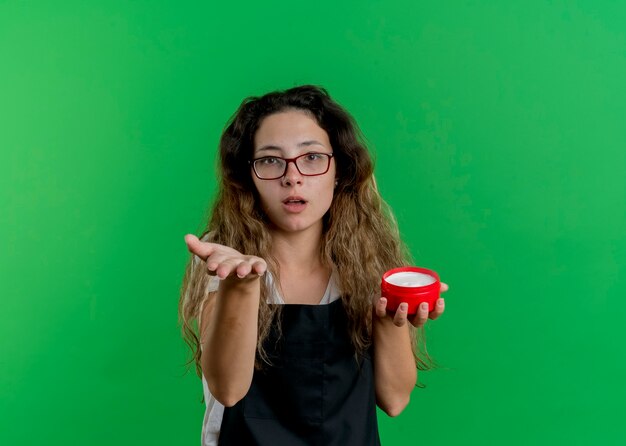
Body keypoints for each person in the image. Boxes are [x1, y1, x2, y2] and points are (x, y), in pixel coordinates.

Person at [179, 85, 447, 446]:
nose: (293, 176)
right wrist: (241, 286)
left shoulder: (366, 260)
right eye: (271, 160)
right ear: (248, 177)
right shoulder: (225, 257)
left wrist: (389, 319)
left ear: (339, 169)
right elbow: (227, 390)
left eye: (312, 157)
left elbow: (395, 400)